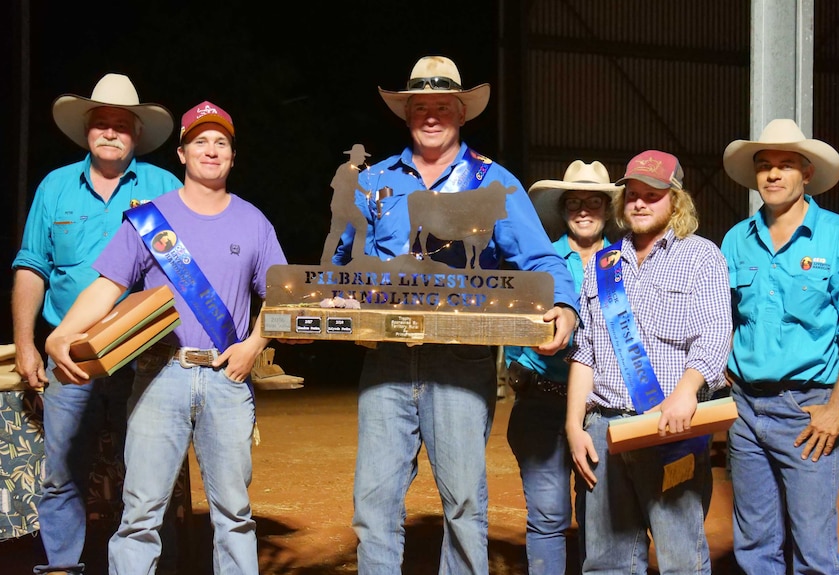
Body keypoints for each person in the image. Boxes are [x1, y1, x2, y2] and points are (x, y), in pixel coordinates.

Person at [332, 55, 580, 574]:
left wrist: (563, 302)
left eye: (442, 106)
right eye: (420, 106)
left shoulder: (493, 180)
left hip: (462, 359)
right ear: (406, 113)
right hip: (387, 359)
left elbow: (540, 258)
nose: (431, 115)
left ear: (461, 113)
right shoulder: (372, 181)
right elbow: (343, 262)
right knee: (373, 503)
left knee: (465, 503)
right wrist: (337, 295)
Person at [45, 101, 288, 575]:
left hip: (226, 377)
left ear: (233, 157)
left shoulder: (254, 222)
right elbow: (107, 286)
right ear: (182, 153)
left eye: (222, 143)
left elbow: (280, 298)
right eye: (201, 141)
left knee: (235, 516)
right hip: (160, 375)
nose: (211, 150)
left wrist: (253, 347)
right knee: (140, 515)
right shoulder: (149, 218)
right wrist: (63, 333)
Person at [11, 73, 180, 575]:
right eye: (101, 123)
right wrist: (26, 344)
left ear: (136, 135)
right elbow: (31, 267)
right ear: (88, 130)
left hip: (147, 352)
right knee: (62, 472)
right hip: (69, 352)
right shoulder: (56, 186)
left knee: (149, 473)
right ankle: (63, 566)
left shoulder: (163, 186)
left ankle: (151, 566)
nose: (110, 132)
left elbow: (189, 270)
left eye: (121, 125)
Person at [565, 150, 732, 574]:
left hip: (670, 428)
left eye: (652, 195)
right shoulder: (601, 265)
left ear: (675, 201)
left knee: (681, 560)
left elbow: (714, 335)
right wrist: (573, 425)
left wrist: (685, 394)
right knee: (606, 563)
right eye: (633, 194)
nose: (639, 203)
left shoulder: (701, 256)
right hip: (604, 431)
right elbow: (585, 350)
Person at [721, 119, 839, 574]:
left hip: (807, 412)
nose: (774, 174)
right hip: (744, 411)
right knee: (754, 544)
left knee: (814, 551)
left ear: (807, 174)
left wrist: (836, 409)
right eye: (765, 166)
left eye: (786, 165)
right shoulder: (736, 240)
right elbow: (723, 316)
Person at [505, 160, 620, 575]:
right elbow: (515, 342)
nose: (584, 210)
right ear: (563, 210)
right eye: (575, 203)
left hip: (602, 410)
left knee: (604, 521)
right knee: (549, 518)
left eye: (594, 202)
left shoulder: (626, 265)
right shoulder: (538, 265)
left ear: (607, 210)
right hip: (542, 404)